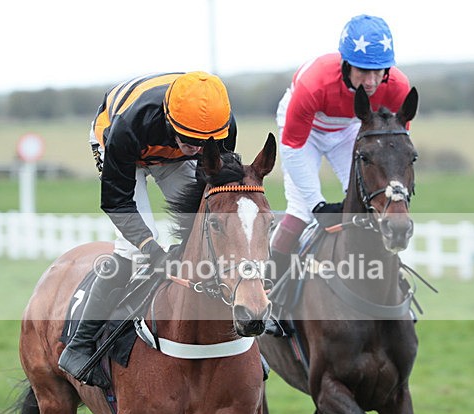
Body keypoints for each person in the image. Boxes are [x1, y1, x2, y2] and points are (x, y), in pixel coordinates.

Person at [59, 71, 237, 383]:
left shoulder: (220, 128)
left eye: (202, 144)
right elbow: (117, 201)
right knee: (133, 251)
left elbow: (215, 189)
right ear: (170, 122)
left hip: (166, 149)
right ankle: (79, 345)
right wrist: (151, 249)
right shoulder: (130, 126)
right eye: (189, 142)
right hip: (122, 146)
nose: (195, 150)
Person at [270, 14, 412, 270]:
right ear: (346, 64)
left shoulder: (398, 88)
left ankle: (386, 276)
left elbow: (396, 151)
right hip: (305, 133)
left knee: (370, 201)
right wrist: (318, 205)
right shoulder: (314, 84)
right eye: (362, 71)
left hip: (349, 129)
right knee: (302, 210)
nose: (371, 82)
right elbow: (293, 147)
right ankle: (270, 281)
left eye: (378, 72)